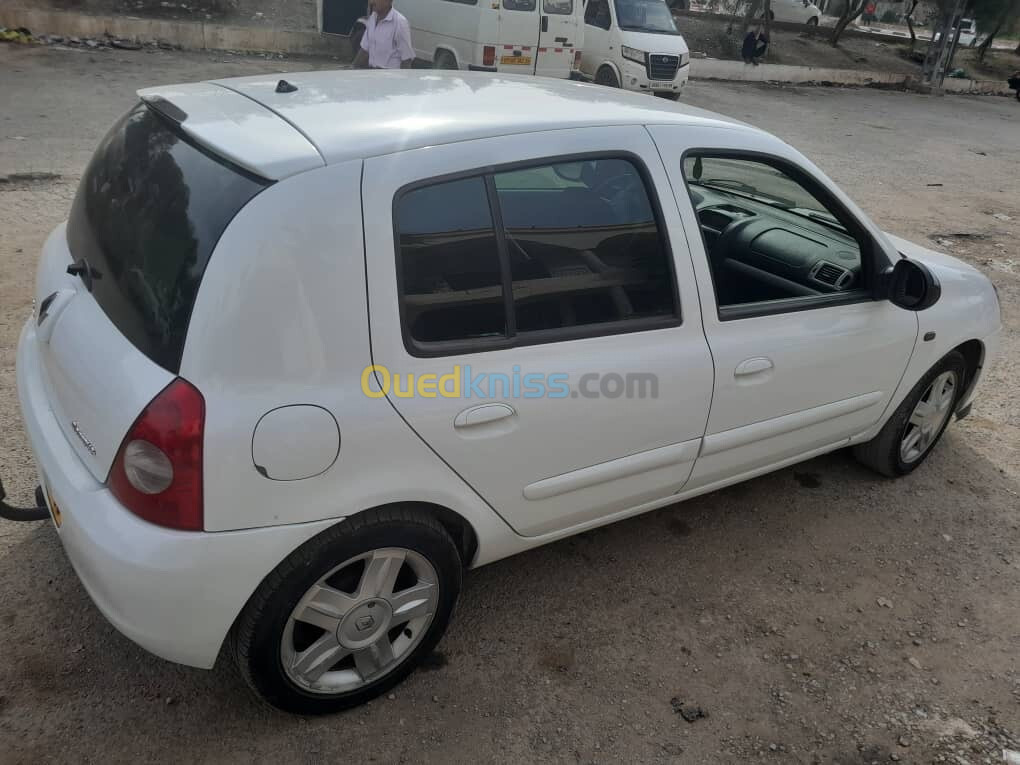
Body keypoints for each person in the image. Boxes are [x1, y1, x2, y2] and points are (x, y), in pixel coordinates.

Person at [353, 0, 414, 70]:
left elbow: (406, 59)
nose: (371, 2)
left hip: (389, 77)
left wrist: (403, 80)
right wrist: (352, 68)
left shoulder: (400, 22)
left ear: (388, 1)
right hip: (372, 74)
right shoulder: (373, 18)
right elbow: (364, 49)